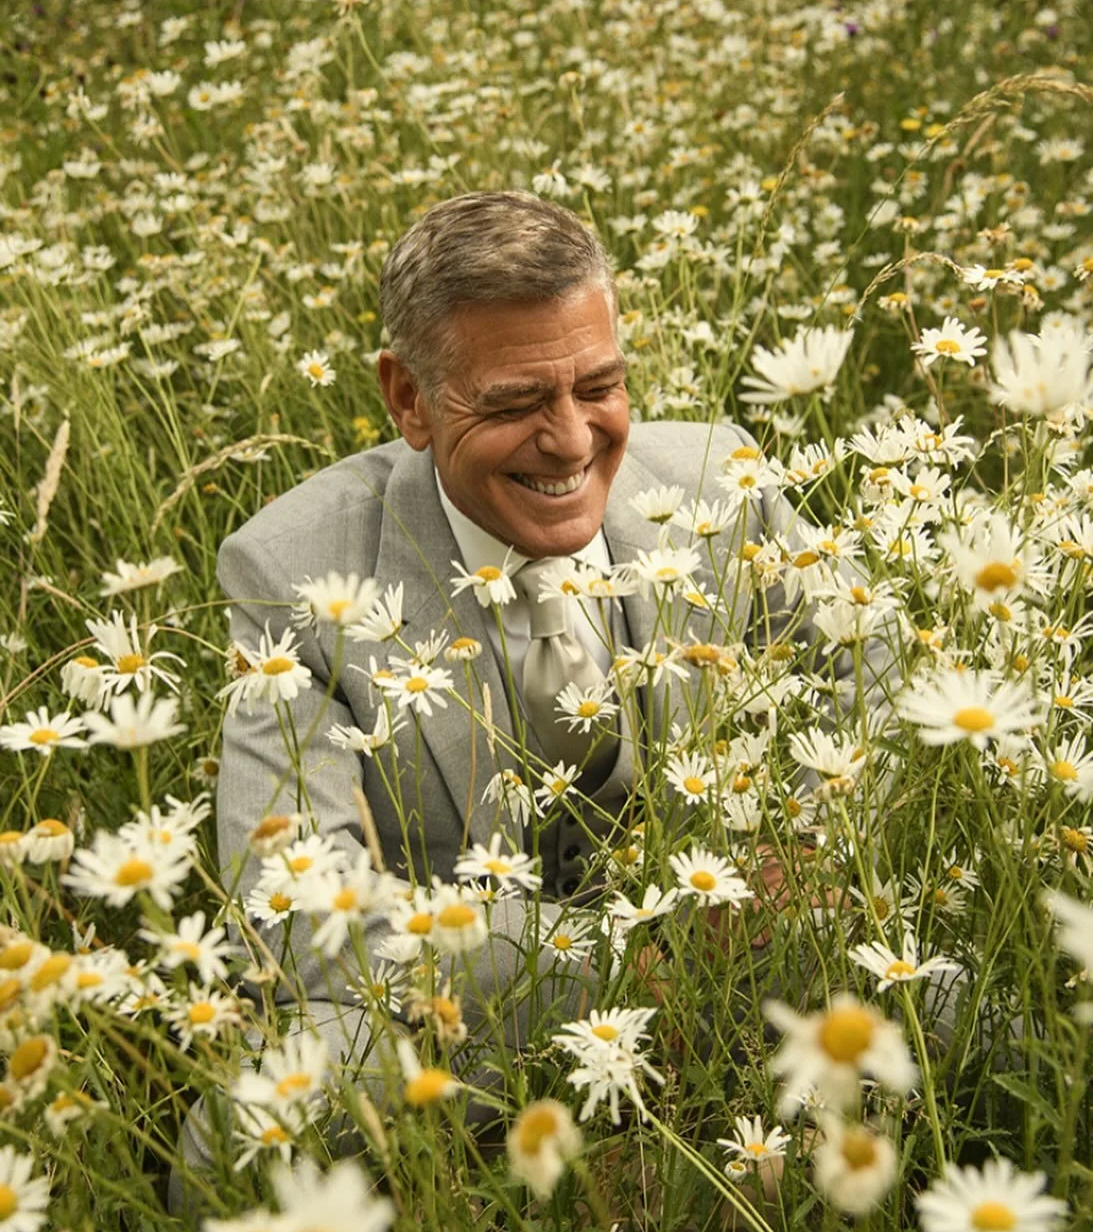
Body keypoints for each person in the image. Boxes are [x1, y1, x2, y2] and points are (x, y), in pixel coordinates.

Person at [212, 190, 896, 1079]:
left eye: (601, 387)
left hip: (760, 959)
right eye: (514, 402)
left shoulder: (719, 480)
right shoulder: (292, 573)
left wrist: (804, 853)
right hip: (485, 1022)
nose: (572, 441)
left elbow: (871, 666)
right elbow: (289, 905)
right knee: (248, 1123)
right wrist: (620, 960)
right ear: (408, 399)